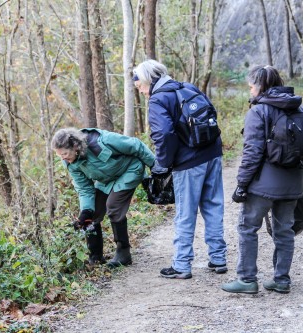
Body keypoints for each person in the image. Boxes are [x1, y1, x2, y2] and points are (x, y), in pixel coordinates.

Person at [133, 59, 227, 279]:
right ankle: (218, 258)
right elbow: (211, 112)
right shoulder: (187, 87)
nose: (142, 92)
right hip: (212, 153)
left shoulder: (158, 99)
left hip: (188, 162)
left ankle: (182, 265)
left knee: (185, 212)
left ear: (148, 80)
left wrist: (163, 164)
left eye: (140, 87)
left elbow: (163, 135)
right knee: (213, 206)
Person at [221, 66, 303, 294]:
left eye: (251, 86)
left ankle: (247, 279)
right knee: (285, 231)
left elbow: (252, 153)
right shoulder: (298, 108)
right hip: (293, 182)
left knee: (247, 227)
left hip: (263, 185)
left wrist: (241, 184)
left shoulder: (259, 112)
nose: (250, 90)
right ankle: (281, 279)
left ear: (260, 86)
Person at [51, 127, 155, 267]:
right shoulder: (71, 163)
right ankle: (96, 257)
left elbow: (135, 145)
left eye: (64, 153)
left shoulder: (101, 141)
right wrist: (86, 211)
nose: (63, 158)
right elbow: (84, 188)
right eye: (59, 155)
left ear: (75, 146)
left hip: (130, 169)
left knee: (113, 207)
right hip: (107, 180)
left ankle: (123, 253)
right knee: (92, 214)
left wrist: (155, 167)